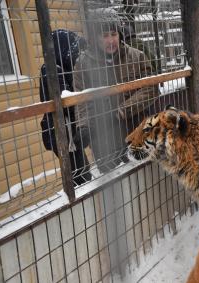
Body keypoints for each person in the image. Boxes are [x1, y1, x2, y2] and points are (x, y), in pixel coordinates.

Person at [73, 8, 157, 173]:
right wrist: (84, 127)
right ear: (94, 39)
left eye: (114, 34)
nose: (111, 40)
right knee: (116, 185)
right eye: (104, 35)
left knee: (146, 181)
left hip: (137, 131)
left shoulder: (136, 56)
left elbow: (151, 89)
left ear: (120, 34)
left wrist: (121, 111)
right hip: (104, 138)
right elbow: (81, 100)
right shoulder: (83, 65)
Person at [39, 29, 92, 187]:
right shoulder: (52, 70)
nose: (75, 55)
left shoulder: (64, 66)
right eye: (72, 50)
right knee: (79, 176)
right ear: (61, 48)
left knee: (82, 172)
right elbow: (65, 102)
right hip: (63, 133)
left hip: (69, 130)